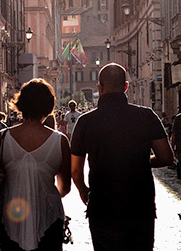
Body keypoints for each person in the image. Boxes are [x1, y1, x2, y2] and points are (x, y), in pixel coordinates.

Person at [71, 63, 174, 251]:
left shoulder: (85, 122)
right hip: (139, 204)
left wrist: (84, 191)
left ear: (99, 88)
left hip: (103, 204)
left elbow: (76, 170)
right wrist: (142, 161)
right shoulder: (146, 116)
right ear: (126, 86)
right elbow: (167, 157)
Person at [0, 78, 71, 250]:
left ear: (21, 103)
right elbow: (65, 187)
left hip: (10, 217)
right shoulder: (60, 141)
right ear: (48, 106)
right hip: (49, 216)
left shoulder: (2, 138)